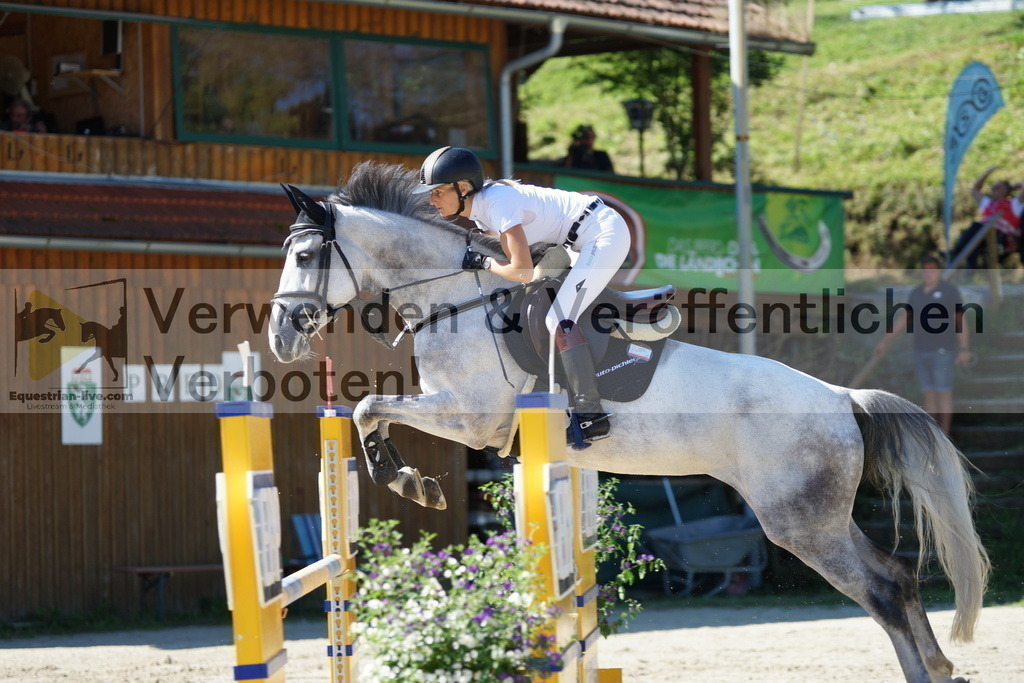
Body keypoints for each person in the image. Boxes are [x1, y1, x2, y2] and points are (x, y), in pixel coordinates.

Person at [414, 146, 630, 442]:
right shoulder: (482, 213)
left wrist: (485, 262)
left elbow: (521, 271)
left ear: (462, 188)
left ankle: (591, 414)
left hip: (602, 234)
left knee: (559, 318)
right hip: (575, 242)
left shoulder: (496, 204)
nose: (432, 200)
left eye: (438, 192)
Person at [873, 255, 971, 434]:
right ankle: (933, 435)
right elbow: (904, 319)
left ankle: (945, 437)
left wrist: (964, 348)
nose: (928, 273)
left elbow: (960, 319)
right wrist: (884, 341)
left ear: (938, 271)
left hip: (943, 350)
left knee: (944, 393)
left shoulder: (949, 291)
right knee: (929, 394)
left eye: (932, 269)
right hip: (921, 349)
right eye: (925, 270)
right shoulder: (916, 293)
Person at [950, 166, 1022, 269]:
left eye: (998, 187)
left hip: (1000, 237)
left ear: (1006, 191)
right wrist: (987, 173)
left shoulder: (1013, 204)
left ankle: (955, 252)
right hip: (983, 235)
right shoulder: (988, 203)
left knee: (975, 228)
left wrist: (1018, 186)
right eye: (993, 187)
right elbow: (975, 190)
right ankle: (971, 269)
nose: (994, 190)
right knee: (972, 240)